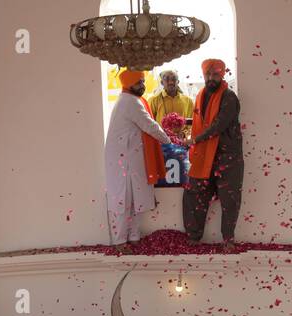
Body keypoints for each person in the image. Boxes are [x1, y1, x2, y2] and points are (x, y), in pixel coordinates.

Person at [104, 68, 172, 250]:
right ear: (128, 84)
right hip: (122, 161)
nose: (142, 85)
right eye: (138, 82)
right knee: (123, 200)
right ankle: (119, 242)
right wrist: (170, 140)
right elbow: (149, 125)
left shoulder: (131, 100)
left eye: (143, 82)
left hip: (130, 158)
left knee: (135, 200)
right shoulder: (130, 102)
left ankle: (133, 237)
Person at [183, 59, 243, 251]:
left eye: (215, 74)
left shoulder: (229, 97)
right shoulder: (201, 95)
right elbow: (203, 120)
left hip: (227, 157)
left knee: (229, 199)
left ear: (222, 75)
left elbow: (219, 124)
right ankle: (194, 236)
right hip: (204, 155)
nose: (211, 78)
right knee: (194, 193)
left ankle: (228, 240)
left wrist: (195, 139)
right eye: (208, 74)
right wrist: (183, 124)